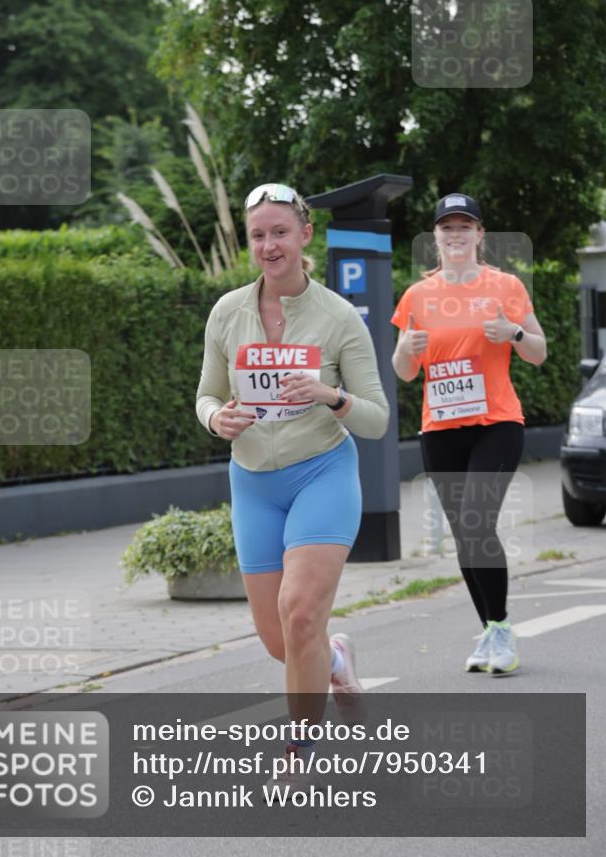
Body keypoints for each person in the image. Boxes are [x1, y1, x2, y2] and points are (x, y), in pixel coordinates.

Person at [196, 183, 389, 788]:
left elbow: (378, 418)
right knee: (283, 642)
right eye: (258, 235)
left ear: (305, 235)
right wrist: (214, 418)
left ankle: (298, 750)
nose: (268, 245)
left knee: (300, 612)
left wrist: (331, 396)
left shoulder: (337, 318)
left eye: (280, 231)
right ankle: (335, 659)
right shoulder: (227, 311)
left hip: (321, 473)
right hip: (253, 479)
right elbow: (205, 393)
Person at [391, 193, 546, 676]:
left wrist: (514, 335)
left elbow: (539, 352)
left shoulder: (505, 286)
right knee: (465, 535)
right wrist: (405, 348)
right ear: (435, 237)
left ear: (480, 235)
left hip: (497, 424)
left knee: (478, 522)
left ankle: (499, 628)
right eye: (446, 228)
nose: (455, 235)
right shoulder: (417, 295)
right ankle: (491, 632)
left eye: (464, 227)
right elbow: (404, 372)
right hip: (440, 429)